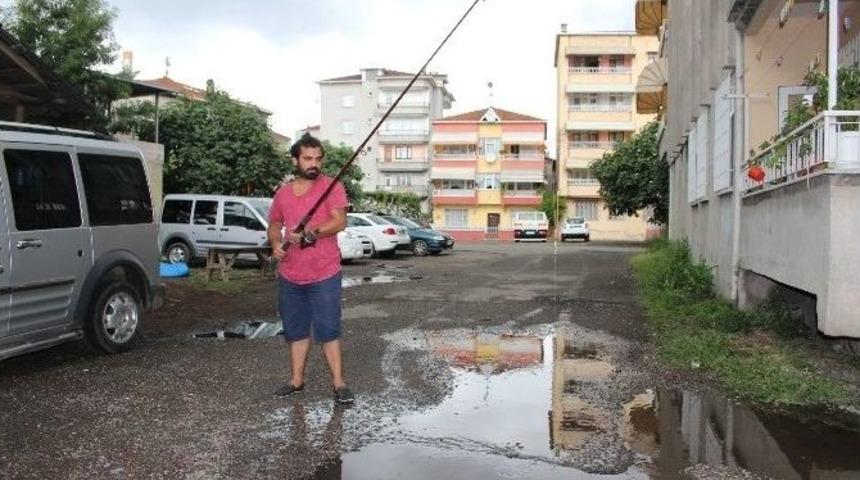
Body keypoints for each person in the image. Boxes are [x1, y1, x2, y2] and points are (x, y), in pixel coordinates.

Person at [268, 133, 354, 404]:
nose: (313, 163)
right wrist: (275, 244)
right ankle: (296, 381)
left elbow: (340, 221)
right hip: (290, 274)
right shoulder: (283, 193)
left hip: (324, 273)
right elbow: (274, 224)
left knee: (328, 329)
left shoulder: (332, 187)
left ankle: (339, 384)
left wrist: (311, 231)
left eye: (317, 158)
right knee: (295, 330)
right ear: (296, 160)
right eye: (307, 158)